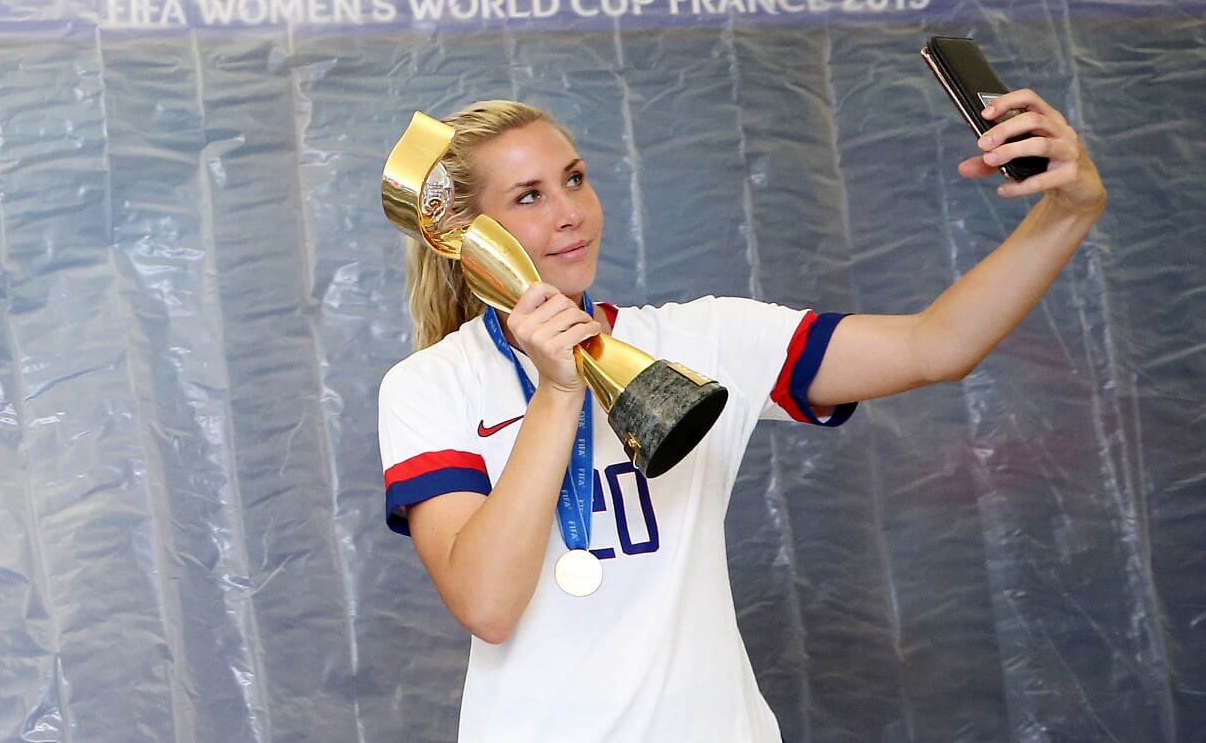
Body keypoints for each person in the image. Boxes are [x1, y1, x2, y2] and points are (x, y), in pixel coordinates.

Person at [376, 97, 1106, 741]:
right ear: (472, 235)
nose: (570, 211)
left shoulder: (705, 338)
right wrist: (560, 392)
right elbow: (488, 606)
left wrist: (1068, 212)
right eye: (528, 197)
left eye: (574, 178)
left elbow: (936, 345)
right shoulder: (430, 387)